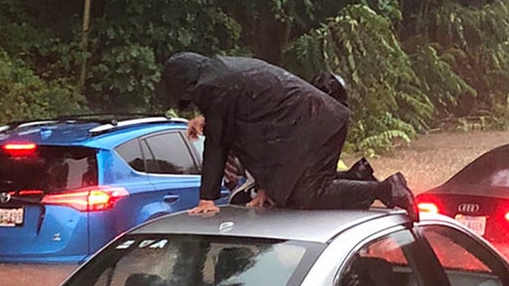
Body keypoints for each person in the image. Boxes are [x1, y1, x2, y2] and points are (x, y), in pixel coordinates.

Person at [160, 52, 418, 221]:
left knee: (307, 194)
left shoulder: (213, 86)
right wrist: (265, 187)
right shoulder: (224, 74)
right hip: (313, 120)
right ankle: (356, 177)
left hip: (312, 121)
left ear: (189, 84)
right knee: (292, 193)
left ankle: (385, 189)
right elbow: (252, 138)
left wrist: (207, 198)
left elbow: (218, 142)